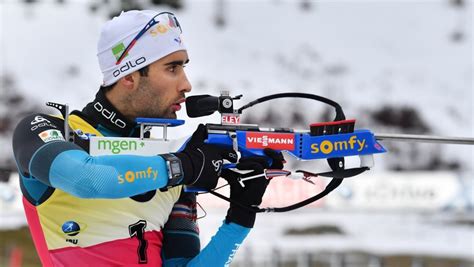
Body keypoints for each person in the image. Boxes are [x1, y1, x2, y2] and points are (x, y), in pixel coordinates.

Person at [11, 10, 284, 266]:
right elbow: (89, 180)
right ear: (129, 76)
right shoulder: (46, 129)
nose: (186, 84)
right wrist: (182, 166)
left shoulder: (167, 163)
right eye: (172, 68)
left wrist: (241, 215)